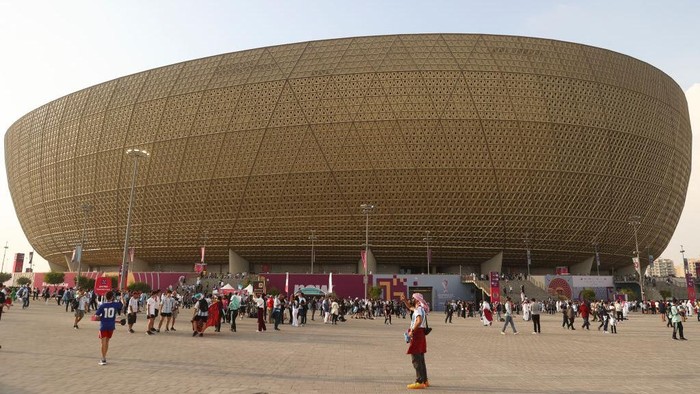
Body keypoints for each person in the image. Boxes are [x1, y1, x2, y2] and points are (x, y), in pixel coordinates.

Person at [400, 293, 430, 389]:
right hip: (420, 334)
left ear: (417, 300)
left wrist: (412, 331)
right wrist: (404, 301)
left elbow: (419, 321)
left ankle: (419, 381)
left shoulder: (419, 309)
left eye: (413, 298)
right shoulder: (419, 308)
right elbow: (410, 308)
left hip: (417, 334)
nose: (411, 300)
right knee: (420, 358)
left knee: (416, 358)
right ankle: (425, 380)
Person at [94, 291, 124, 365]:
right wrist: (122, 296)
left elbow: (96, 316)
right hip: (111, 326)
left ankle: (103, 358)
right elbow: (123, 304)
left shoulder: (102, 305)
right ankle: (104, 357)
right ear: (112, 297)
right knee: (107, 342)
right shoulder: (115, 305)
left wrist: (101, 318)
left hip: (103, 325)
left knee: (103, 342)